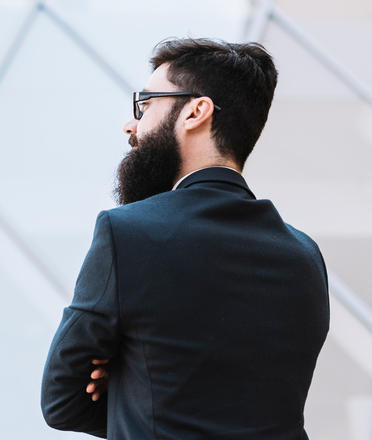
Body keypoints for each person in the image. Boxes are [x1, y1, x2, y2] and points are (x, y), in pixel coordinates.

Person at [40, 38, 330, 439]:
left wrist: (130, 385)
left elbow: (61, 401)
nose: (131, 125)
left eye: (145, 106)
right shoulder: (305, 257)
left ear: (196, 111)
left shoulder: (126, 233)